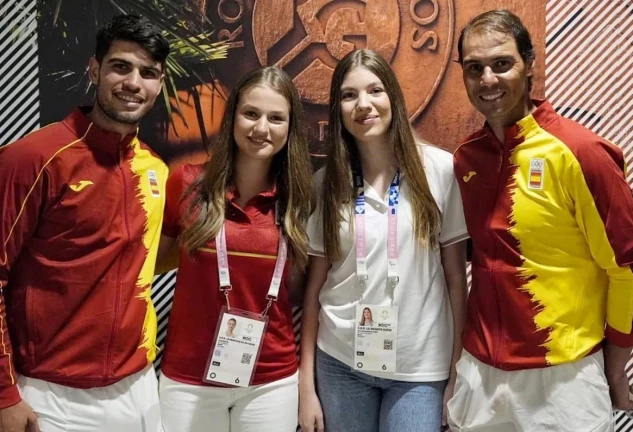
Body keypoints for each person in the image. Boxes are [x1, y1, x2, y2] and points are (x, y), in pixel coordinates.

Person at [448, 9, 633, 432]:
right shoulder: (466, 158)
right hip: (480, 375)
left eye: (502, 64)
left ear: (530, 64)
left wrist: (616, 364)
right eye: (474, 68)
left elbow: (625, 269)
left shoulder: (581, 153)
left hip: (563, 379)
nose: (488, 80)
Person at [0, 14, 169, 432]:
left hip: (139, 388)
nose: (134, 82)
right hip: (51, 396)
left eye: (148, 73)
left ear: (160, 84)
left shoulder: (155, 169)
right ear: (94, 69)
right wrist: (4, 395)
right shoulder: (33, 158)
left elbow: (136, 260)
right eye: (121, 66)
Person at [299, 49, 469, 432]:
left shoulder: (440, 171)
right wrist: (305, 384)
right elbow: (314, 291)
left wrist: (458, 371)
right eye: (348, 95)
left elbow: (457, 279)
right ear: (337, 108)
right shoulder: (325, 184)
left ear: (393, 95)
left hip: (420, 368)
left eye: (375, 90)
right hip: (340, 362)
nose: (363, 104)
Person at [157, 66, 313, 432]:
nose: (262, 129)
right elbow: (153, 265)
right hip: (189, 379)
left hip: (270, 380)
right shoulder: (187, 183)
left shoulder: (301, 200)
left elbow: (306, 290)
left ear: (290, 128)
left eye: (276, 118)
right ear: (233, 118)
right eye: (251, 114)